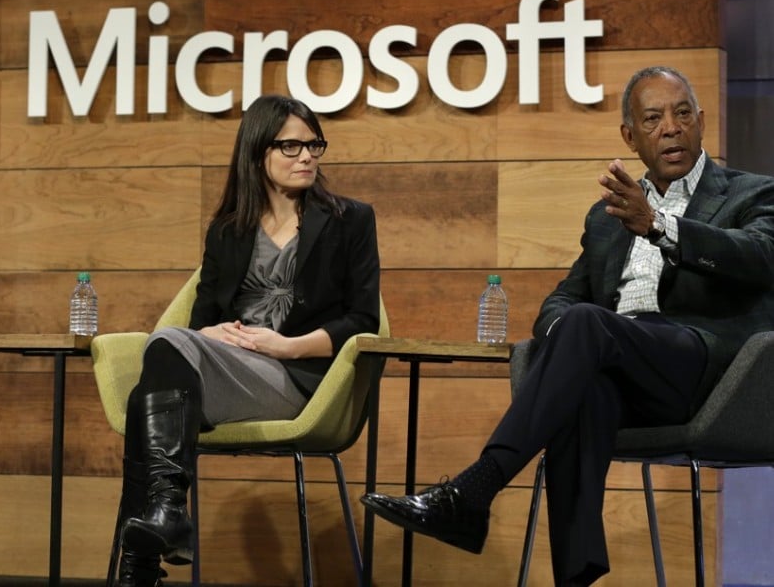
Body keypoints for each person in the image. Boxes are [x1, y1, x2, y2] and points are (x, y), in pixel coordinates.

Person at [362, 66, 774, 585]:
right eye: (653, 118)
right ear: (630, 136)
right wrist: (569, 349)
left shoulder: (751, 194)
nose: (671, 127)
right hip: (625, 368)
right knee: (586, 387)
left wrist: (660, 225)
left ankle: (475, 490)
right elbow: (560, 302)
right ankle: (575, 577)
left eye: (683, 113)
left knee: (586, 329)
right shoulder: (606, 218)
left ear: (702, 121)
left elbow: (761, 257)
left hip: (709, 375)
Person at [113, 94, 381, 586]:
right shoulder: (227, 231)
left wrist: (289, 346)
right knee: (157, 375)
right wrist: (207, 333)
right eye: (291, 146)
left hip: (300, 380)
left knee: (150, 386)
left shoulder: (350, 220)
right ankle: (162, 522)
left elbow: (363, 319)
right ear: (257, 152)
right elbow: (200, 322)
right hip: (232, 369)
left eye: (314, 145)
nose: (307, 157)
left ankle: (145, 556)